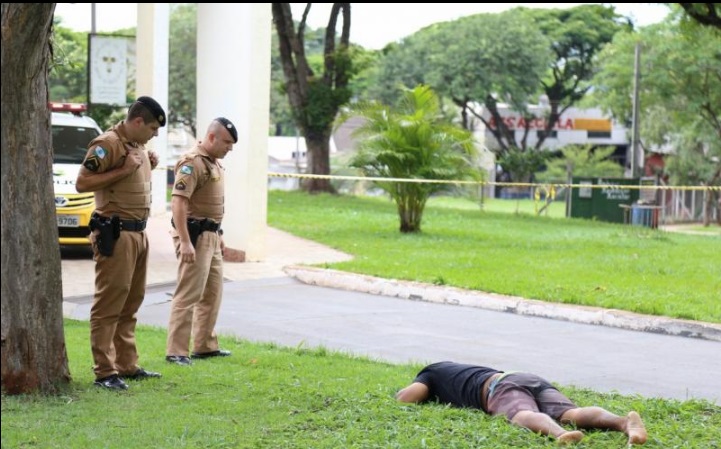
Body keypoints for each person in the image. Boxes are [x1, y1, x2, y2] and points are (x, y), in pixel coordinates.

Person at [75, 96, 167, 391]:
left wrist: (145, 166)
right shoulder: (108, 143)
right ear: (137, 121)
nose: (155, 134)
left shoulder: (137, 146)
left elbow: (129, 183)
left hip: (139, 233)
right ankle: (104, 370)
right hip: (115, 233)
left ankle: (126, 364)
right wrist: (125, 169)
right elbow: (83, 182)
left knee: (131, 301)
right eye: (152, 128)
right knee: (109, 303)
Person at [396, 361, 647, 446]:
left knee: (521, 413)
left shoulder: (430, 372)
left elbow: (408, 398)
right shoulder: (455, 369)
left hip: (499, 387)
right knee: (571, 411)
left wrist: (401, 392)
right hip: (525, 377)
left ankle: (561, 433)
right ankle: (624, 422)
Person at [165, 117, 237, 366]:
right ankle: (176, 351)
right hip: (194, 235)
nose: (230, 148)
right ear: (211, 137)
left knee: (213, 292)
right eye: (226, 142)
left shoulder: (213, 162)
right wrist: (185, 241)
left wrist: (219, 234)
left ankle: (205, 345)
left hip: (212, 235)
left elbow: (210, 203)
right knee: (188, 293)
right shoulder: (192, 162)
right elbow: (179, 202)